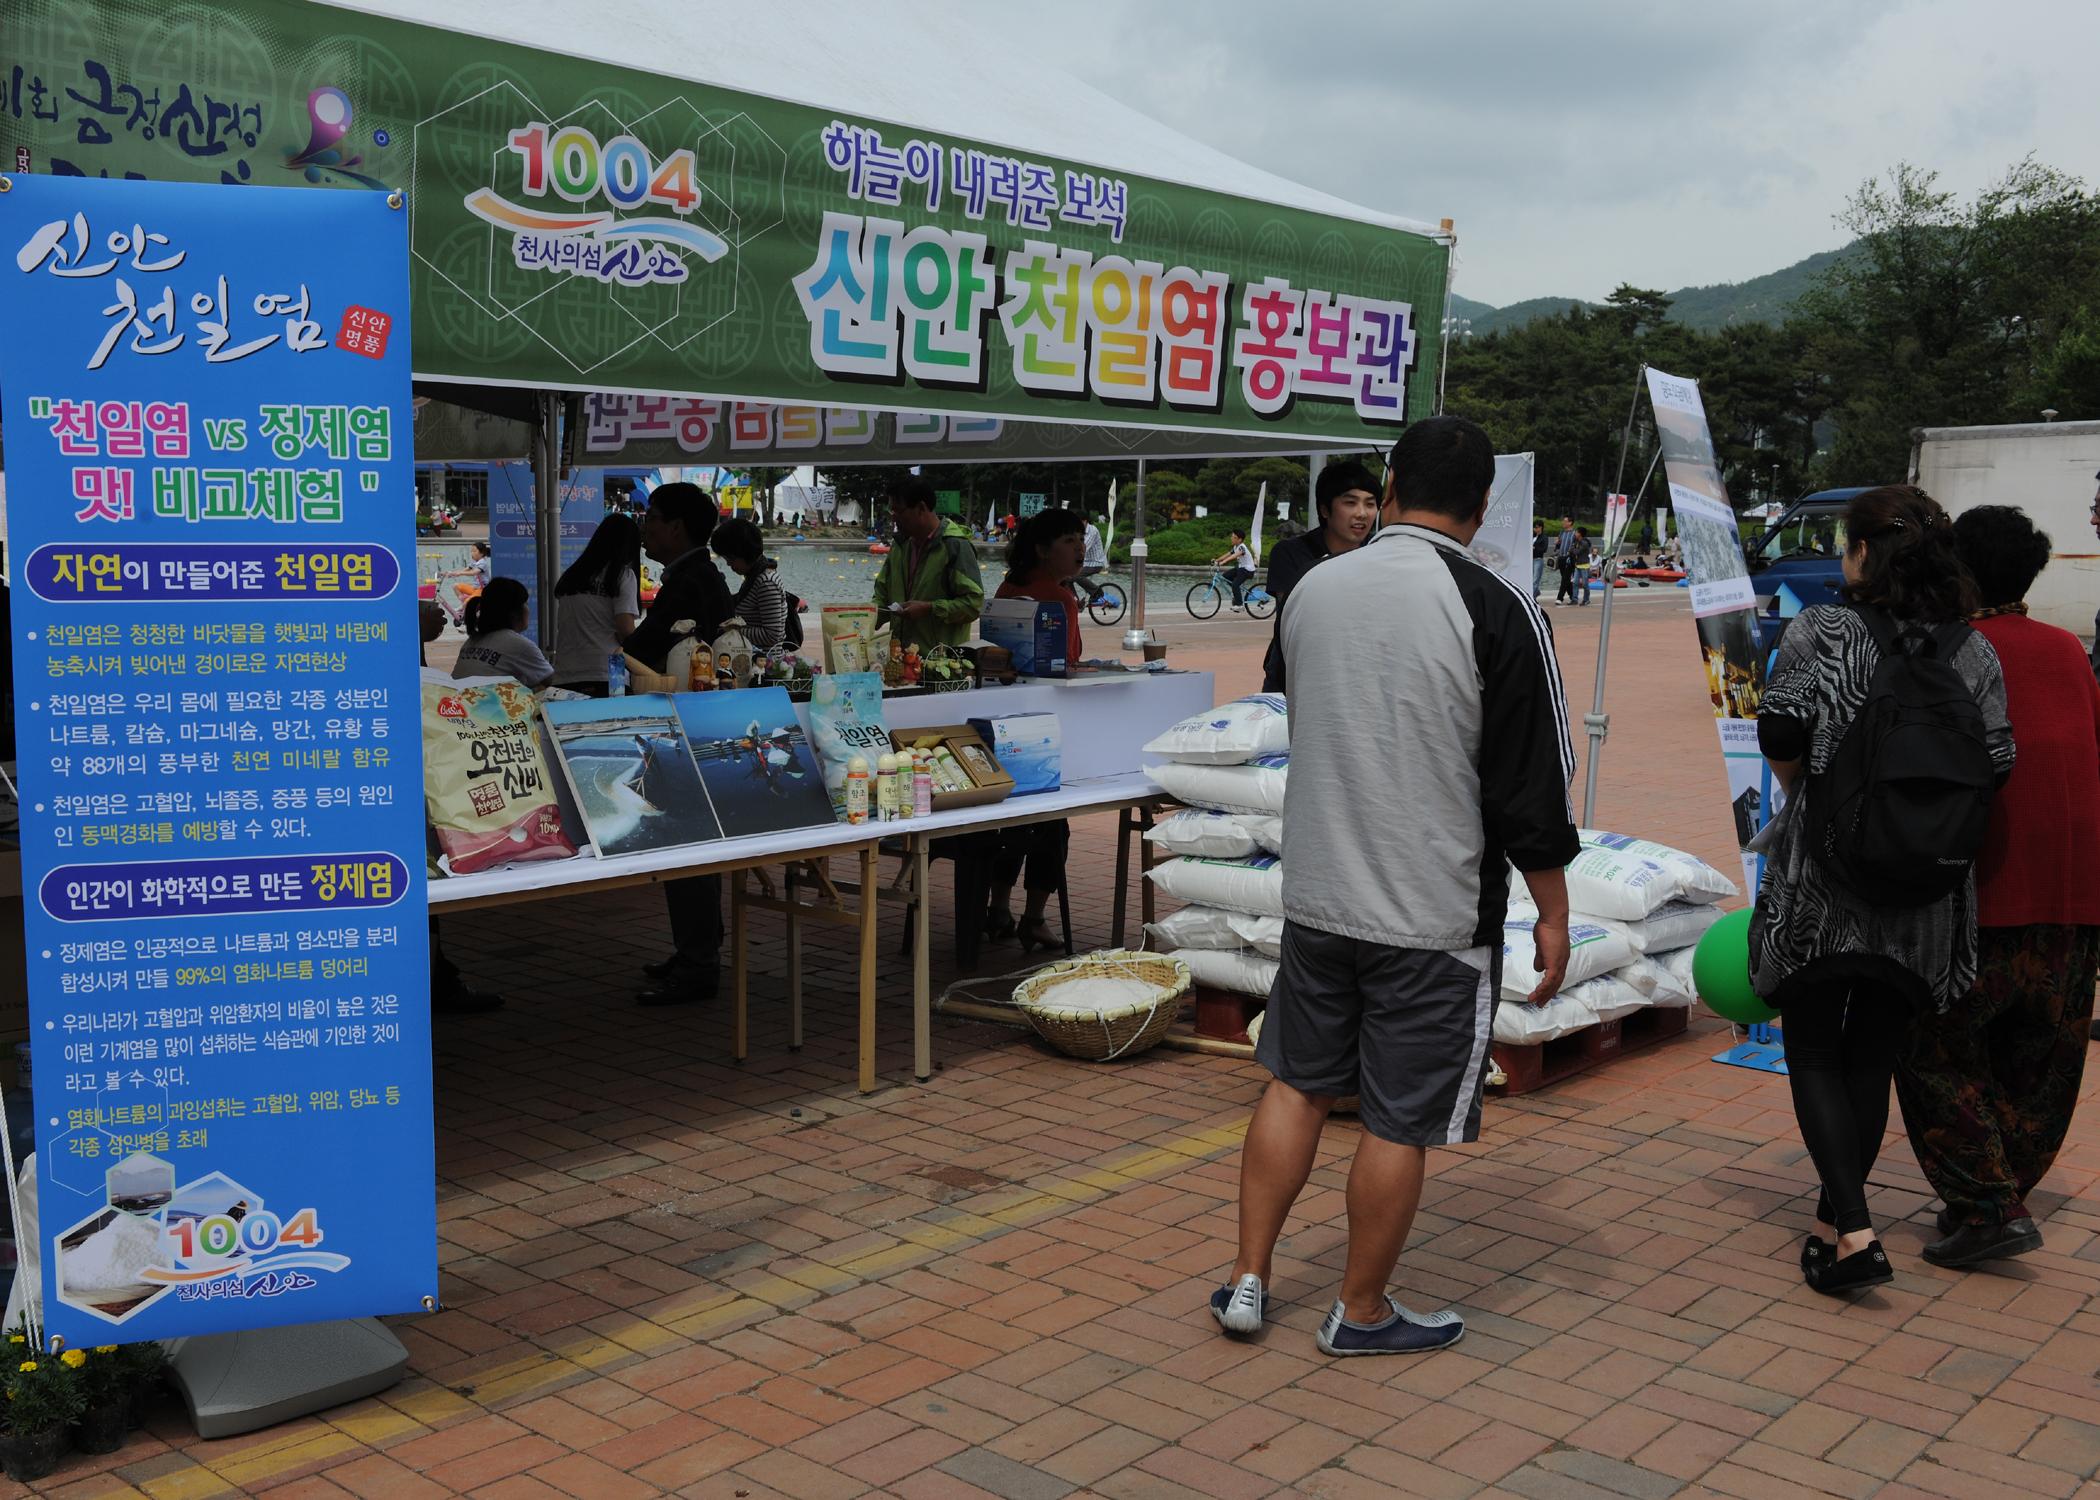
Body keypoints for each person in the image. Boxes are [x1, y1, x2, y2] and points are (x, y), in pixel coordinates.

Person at [1217, 416, 1578, 1356]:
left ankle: (1249, 1280)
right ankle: (1361, 1310)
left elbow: (1301, 702)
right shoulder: (1496, 605)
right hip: (1431, 907)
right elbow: (1528, 780)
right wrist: (1554, 910)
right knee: (1397, 1118)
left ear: (1390, 483)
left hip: (1321, 891)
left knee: (1294, 1084)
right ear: (1483, 504)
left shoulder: (1314, 590)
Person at [1750, 484, 2013, 1295]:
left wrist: (1810, 792)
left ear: (1864, 551)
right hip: (1926, 896)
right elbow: (1997, 762)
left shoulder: (1822, 629)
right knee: (1868, 1059)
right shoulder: (1974, 649)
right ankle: (1835, 1225)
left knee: (1817, 1051)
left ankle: (1854, 1230)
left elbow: (1781, 730)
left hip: (1825, 886)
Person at [1895, 506, 2100, 1267]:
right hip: (2075, 899)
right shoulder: (2068, 652)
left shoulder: (1952, 653)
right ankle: (1991, 1198)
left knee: (1934, 1052)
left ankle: (1987, 1206)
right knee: (2037, 1070)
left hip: (1980, 898)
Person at [626, 482, 734, 1008]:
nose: (644, 526)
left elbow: (646, 646)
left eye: (652, 517)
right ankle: (697, 950)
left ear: (677, 527)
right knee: (691, 845)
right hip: (694, 720)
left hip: (687, 725)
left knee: (688, 840)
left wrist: (618, 648)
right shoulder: (699, 575)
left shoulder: (690, 581)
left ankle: (698, 961)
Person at [984, 509, 1086, 950]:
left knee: (1008, 824)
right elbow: (1068, 660)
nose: (1080, 548)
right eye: (1068, 540)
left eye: (1080, 539)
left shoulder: (1008, 588)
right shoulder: (1059, 599)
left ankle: (997, 908)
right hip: (1046, 728)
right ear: (1042, 549)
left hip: (1001, 723)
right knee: (1051, 823)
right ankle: (1035, 916)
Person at [1261, 460, 1380, 693]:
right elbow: (1297, 618)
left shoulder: (1380, 553)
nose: (1362, 514)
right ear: (1325, 509)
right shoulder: (1290, 553)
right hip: (1295, 679)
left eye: (1370, 504)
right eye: (1350, 503)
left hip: (1361, 680)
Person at [871, 476, 984, 652]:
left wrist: (930, 608)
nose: (893, 519)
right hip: (900, 659)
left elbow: (973, 604)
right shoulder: (900, 545)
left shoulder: (954, 546)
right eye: (891, 512)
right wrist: (865, 617)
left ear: (921, 508)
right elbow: (882, 593)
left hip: (940, 665)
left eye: (898, 511)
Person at [551, 514, 642, 696]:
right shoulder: (622, 575)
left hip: (564, 676)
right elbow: (625, 629)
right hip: (608, 674)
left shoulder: (572, 576)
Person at [453, 577, 555, 689]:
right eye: (525, 603)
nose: (528, 609)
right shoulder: (519, 645)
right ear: (515, 613)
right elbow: (551, 680)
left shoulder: (472, 640)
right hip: (486, 705)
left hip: (461, 703)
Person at [711, 517, 790, 650]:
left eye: (730, 558)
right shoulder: (754, 577)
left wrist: (729, 632)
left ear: (743, 553)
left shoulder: (766, 583)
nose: (728, 564)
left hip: (764, 661)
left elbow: (772, 635)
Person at [1213, 531, 1258, 610]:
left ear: (1240, 540)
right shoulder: (1235, 547)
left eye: (1234, 537)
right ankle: (1236, 592)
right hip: (1241, 568)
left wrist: (1224, 562)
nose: (1231, 538)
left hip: (1247, 570)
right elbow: (1228, 554)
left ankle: (1240, 605)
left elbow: (1235, 555)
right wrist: (1217, 560)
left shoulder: (1242, 547)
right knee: (1225, 577)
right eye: (1232, 536)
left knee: (1235, 584)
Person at [1074, 514, 1109, 605]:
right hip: (1086, 562)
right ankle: (1075, 602)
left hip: (1096, 563)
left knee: (1077, 576)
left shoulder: (1092, 530)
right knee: (1066, 578)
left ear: (1085, 521)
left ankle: (1097, 592)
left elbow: (1083, 547)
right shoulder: (1079, 531)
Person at [1552, 516, 1578, 604]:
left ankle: (1560, 598)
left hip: (1569, 558)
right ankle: (1572, 596)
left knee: (1565, 578)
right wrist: (1557, 544)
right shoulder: (1562, 533)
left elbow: (1577, 546)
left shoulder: (1575, 533)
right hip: (1561, 557)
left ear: (1570, 523)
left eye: (1565, 521)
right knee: (1565, 578)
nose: (1563, 523)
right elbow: (1558, 546)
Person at [1572, 526, 1595, 606]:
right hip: (1578, 565)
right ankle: (1574, 599)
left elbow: (1576, 552)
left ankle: (1586, 599)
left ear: (1580, 534)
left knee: (1585, 584)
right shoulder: (1577, 541)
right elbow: (1573, 550)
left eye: (1576, 532)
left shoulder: (1584, 543)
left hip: (1584, 566)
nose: (1575, 533)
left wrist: (1572, 549)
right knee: (1575, 583)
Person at [1531, 519, 1548, 599]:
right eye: (1534, 527)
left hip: (1538, 559)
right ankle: (1536, 592)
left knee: (1535, 579)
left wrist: (1535, 547)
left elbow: (1544, 549)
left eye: (1537, 527)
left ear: (1541, 527)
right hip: (1530, 559)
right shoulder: (1532, 536)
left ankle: (1532, 597)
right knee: (1531, 579)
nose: (1535, 529)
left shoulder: (1544, 537)